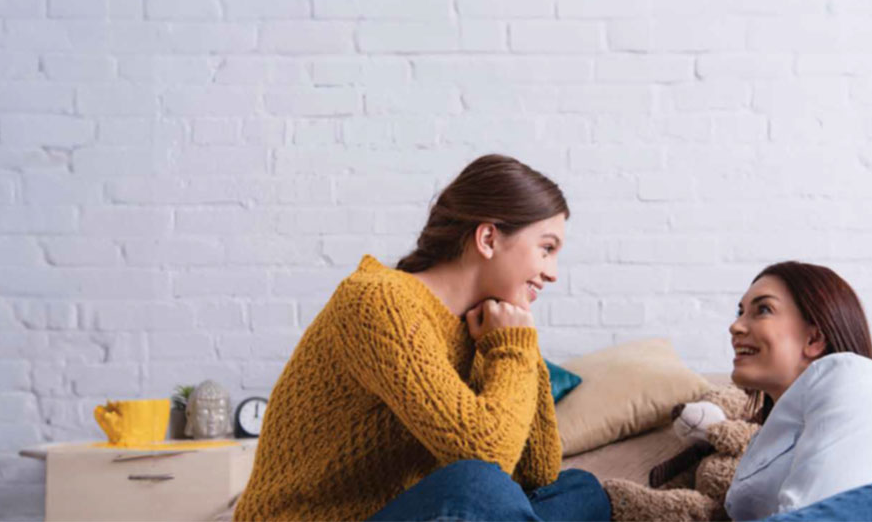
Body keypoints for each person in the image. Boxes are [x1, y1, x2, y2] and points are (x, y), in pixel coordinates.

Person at [233, 154, 610, 522]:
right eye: (546, 249)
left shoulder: (486, 333)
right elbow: (487, 458)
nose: (553, 273)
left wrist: (517, 345)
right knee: (476, 484)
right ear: (489, 238)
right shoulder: (379, 301)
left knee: (580, 489)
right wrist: (513, 347)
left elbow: (538, 471)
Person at [724, 261, 872, 522]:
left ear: (814, 339)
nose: (735, 326)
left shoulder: (851, 375)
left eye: (763, 309)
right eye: (739, 312)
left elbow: (821, 514)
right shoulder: (764, 439)